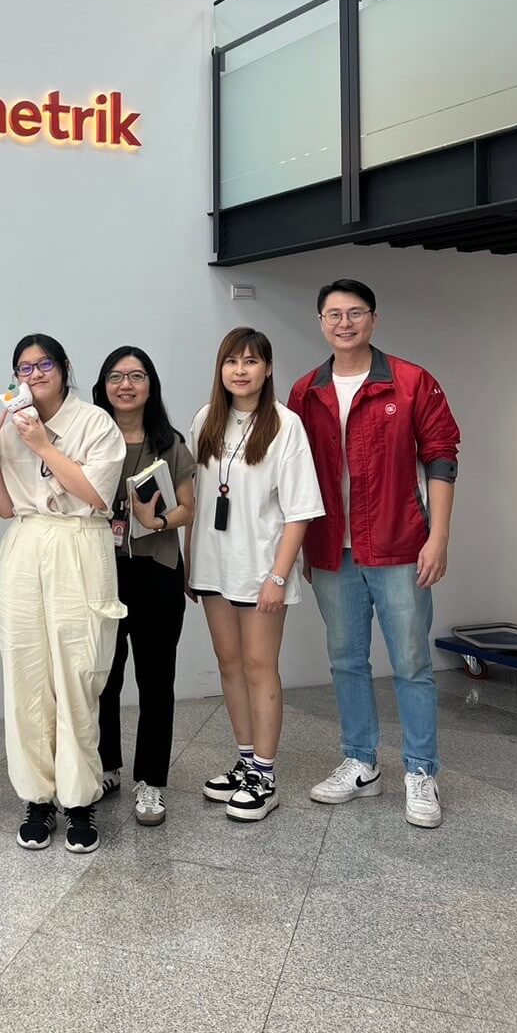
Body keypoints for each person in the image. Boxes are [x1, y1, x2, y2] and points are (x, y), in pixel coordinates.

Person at [287, 279, 459, 829]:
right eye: (334, 314)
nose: (345, 323)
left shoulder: (410, 382)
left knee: (411, 662)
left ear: (374, 319)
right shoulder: (304, 391)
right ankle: (361, 763)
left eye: (355, 312)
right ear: (321, 322)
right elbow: (294, 475)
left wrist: (438, 537)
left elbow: (441, 456)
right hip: (331, 550)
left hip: (399, 546)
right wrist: (303, 547)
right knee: (345, 659)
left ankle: (421, 771)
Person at [0, 334, 126, 855]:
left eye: (44, 364)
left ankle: (80, 800)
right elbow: (3, 506)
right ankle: (37, 798)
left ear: (64, 368)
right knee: (26, 676)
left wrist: (43, 445)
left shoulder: (95, 423)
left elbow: (98, 495)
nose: (35, 374)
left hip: (80, 542)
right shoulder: (11, 424)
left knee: (78, 674)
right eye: (24, 367)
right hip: (25, 544)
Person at [188, 328, 323, 822]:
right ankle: (245, 762)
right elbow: (198, 497)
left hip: (261, 567)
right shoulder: (206, 419)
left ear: (268, 369)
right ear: (220, 368)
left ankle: (265, 776)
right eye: (232, 361)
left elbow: (300, 511)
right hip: (213, 565)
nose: (240, 370)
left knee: (259, 666)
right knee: (229, 664)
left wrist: (278, 577)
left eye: (251, 361)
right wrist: (191, 564)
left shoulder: (286, 425)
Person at [91, 347, 196, 827]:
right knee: (104, 676)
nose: (126, 385)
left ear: (150, 386)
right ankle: (106, 766)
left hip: (157, 570)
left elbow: (188, 508)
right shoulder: (91, 440)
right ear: (104, 386)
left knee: (155, 680)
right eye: (116, 376)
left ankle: (151, 781)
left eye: (136, 376)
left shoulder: (169, 443)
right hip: (102, 571)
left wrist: (155, 522)